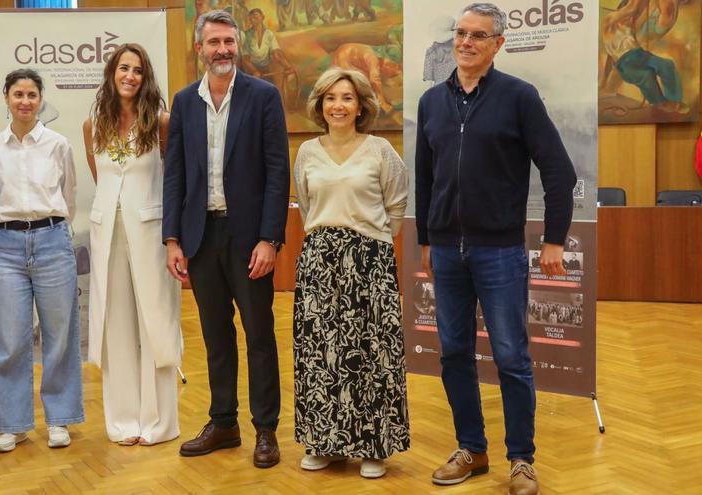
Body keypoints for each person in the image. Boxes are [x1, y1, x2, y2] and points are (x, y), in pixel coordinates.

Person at [414, 4, 577, 495]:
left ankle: (522, 460)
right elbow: (425, 176)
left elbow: (559, 172)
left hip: (500, 252)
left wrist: (553, 238)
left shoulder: (519, 97)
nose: (465, 42)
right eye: (460, 33)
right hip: (445, 251)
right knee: (455, 354)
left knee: (510, 357)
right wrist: (425, 237)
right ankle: (472, 449)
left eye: (477, 35)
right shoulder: (430, 103)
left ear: (498, 44)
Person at [163, 9, 290, 469]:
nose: (222, 50)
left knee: (259, 335)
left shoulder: (263, 97)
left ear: (237, 46)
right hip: (199, 237)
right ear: (199, 48)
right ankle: (223, 422)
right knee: (216, 336)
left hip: (248, 238)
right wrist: (172, 238)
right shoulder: (184, 102)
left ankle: (265, 430)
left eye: (229, 42)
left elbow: (279, 171)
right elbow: (174, 173)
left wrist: (270, 239)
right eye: (214, 42)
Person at [292, 68, 409, 479]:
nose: (338, 105)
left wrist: (367, 243)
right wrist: (333, 240)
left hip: (370, 261)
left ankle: (373, 446)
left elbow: (397, 207)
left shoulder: (379, 150)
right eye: (330, 98)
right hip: (320, 260)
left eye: (346, 98)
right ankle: (326, 442)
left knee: (372, 353)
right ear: (320, 105)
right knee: (320, 353)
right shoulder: (307, 152)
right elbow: (307, 207)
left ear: (361, 106)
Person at [83, 43, 182, 447]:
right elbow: (100, 177)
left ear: (146, 77)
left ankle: (158, 423)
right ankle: (122, 421)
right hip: (107, 232)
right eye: (123, 68)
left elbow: (174, 181)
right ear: (111, 73)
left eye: (138, 70)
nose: (130, 76)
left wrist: (174, 237)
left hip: (152, 232)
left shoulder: (161, 122)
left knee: (155, 323)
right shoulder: (94, 124)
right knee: (115, 324)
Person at [0, 68, 83, 453]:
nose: (25, 101)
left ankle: (59, 419)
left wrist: (48, 228)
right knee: (9, 339)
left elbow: (69, 196)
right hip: (7, 246)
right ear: (6, 98)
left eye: (32, 95)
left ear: (41, 100)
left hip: (52, 240)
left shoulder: (58, 144)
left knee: (60, 335)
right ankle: (12, 423)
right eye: (18, 94)